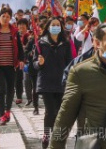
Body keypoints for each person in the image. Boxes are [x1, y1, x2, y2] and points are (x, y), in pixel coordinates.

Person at [33, 17, 73, 148]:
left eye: (58, 25)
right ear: (48, 27)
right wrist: (39, 63)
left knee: (59, 112)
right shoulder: (41, 43)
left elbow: (70, 62)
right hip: (46, 82)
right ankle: (46, 134)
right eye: (53, 25)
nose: (55, 27)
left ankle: (56, 137)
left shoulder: (65, 43)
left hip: (61, 82)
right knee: (50, 111)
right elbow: (34, 64)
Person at [0, 8, 25, 126]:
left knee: (11, 89)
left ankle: (8, 110)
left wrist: (21, 60)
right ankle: (1, 115)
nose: (5, 19)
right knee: (1, 89)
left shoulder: (14, 32)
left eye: (8, 16)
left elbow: (19, 47)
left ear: (11, 18)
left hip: (11, 65)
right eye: (3, 16)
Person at [22, 21, 40, 115]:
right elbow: (25, 53)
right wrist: (31, 54)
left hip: (46, 68)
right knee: (35, 88)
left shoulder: (48, 39)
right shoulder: (32, 40)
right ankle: (35, 107)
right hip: (34, 68)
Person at [15, 18, 30, 104]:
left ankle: (29, 96)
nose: (21, 26)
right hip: (17, 60)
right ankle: (19, 96)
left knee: (26, 79)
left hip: (27, 60)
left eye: (23, 24)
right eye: (20, 24)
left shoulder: (29, 35)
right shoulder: (15, 35)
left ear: (27, 26)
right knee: (18, 79)